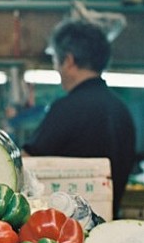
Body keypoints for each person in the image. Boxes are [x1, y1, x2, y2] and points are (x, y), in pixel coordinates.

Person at [22, 18, 137, 218]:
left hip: (69, 234)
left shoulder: (66, 108)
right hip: (109, 228)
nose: (56, 69)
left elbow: (27, 161)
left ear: (68, 61)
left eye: (56, 61)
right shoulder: (122, 110)